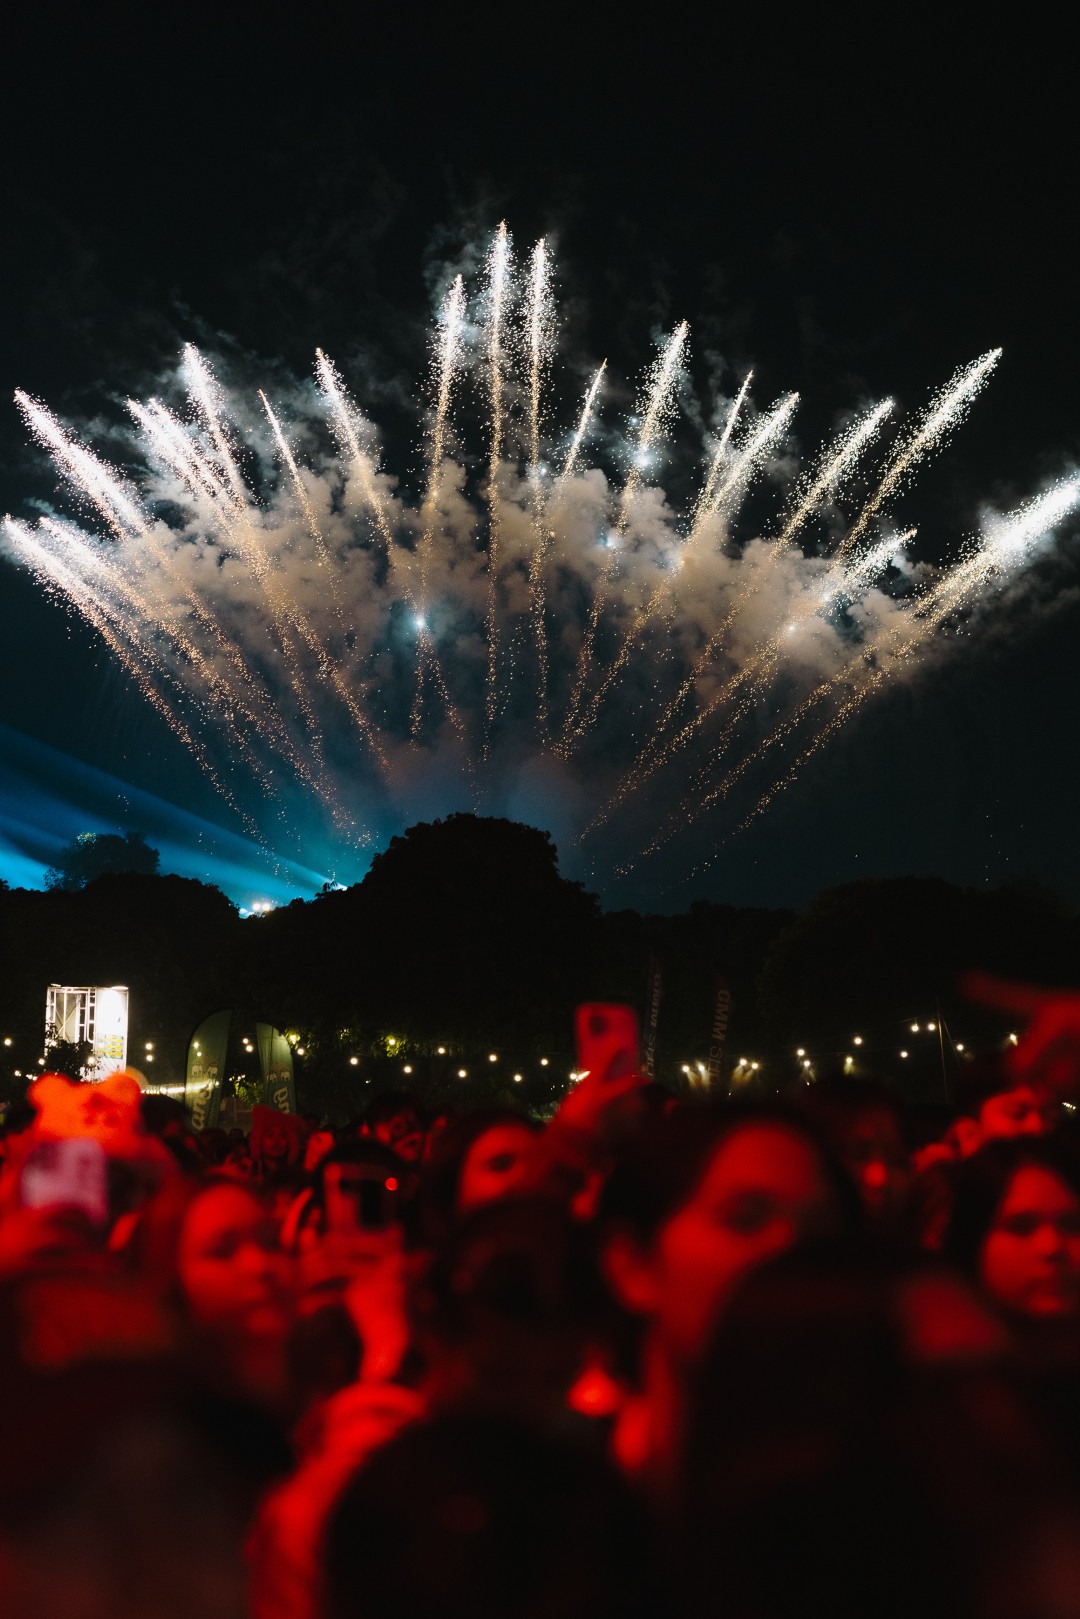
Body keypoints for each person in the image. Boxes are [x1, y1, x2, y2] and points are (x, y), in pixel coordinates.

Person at [596, 1105, 854, 1488]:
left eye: (818, 1234)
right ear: (634, 1265)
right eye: (745, 1219)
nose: (788, 1251)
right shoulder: (556, 1497)